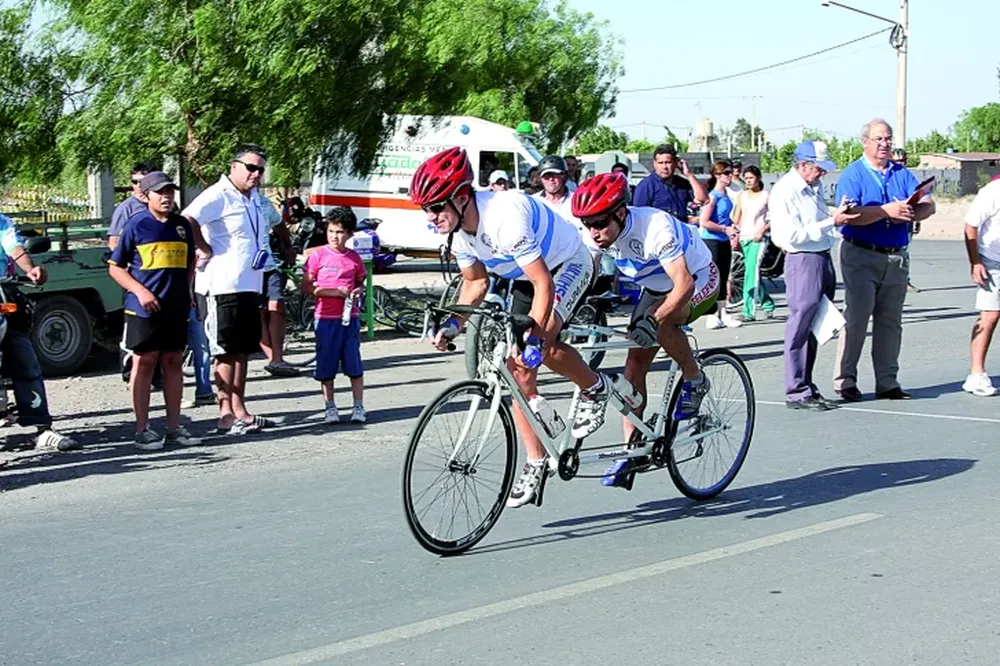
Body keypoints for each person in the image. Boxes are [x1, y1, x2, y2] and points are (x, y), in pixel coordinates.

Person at [413, 147, 619, 509]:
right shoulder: (460, 231)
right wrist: (453, 324)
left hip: (566, 265)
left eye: (435, 208)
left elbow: (544, 284)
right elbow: (475, 284)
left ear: (462, 198)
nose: (430, 218)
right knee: (516, 373)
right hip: (526, 278)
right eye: (425, 209)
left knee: (540, 346)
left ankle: (595, 387)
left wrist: (537, 338)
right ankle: (537, 462)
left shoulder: (504, 216)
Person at [572, 173, 719, 486]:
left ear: (621, 213)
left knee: (661, 323)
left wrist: (653, 318)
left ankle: (695, 377)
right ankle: (632, 451)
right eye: (588, 225)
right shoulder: (593, 235)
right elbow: (587, 275)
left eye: (599, 224)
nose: (594, 233)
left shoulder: (655, 228)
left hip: (698, 277)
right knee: (634, 364)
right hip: (654, 287)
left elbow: (683, 285)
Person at [833, 119, 935, 402]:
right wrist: (885, 211)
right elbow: (850, 215)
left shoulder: (901, 173)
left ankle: (887, 381)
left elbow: (928, 204)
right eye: (879, 139)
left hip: (895, 257)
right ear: (865, 141)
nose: (885, 144)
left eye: (888, 139)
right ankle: (845, 380)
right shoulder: (853, 174)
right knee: (856, 317)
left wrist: (914, 212)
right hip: (861, 254)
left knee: (890, 322)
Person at [182, 143, 276, 435]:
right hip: (221, 285)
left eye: (260, 169)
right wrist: (203, 246)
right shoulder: (218, 195)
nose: (256, 174)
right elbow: (187, 218)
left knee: (244, 350)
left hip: (250, 283)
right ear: (234, 166)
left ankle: (240, 408)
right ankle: (224, 413)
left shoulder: (253, 198)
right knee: (225, 351)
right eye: (251, 168)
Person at [108, 172, 202, 450]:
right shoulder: (136, 224)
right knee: (144, 361)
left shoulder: (182, 225)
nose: (167, 197)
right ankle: (142, 429)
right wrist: (140, 291)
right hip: (143, 309)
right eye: (160, 192)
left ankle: (174, 427)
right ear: (146, 195)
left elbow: (189, 265)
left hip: (176, 307)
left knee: (173, 361)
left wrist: (188, 292)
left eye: (170, 191)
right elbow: (115, 267)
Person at [770, 140, 858, 411]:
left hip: (821, 256)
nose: (823, 173)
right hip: (802, 259)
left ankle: (807, 385)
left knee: (815, 323)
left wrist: (836, 215)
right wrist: (833, 222)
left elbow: (816, 222)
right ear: (804, 164)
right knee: (800, 323)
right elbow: (788, 235)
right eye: (819, 168)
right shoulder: (785, 191)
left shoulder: (812, 188)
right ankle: (796, 390)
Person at [0, 215, 80, 458]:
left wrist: (31, 269)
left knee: (24, 355)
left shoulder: (1, 223)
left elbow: (14, 247)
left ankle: (42, 428)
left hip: (1, 293)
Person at [303, 207, 367, 423]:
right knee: (326, 364)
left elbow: (360, 281)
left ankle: (358, 406)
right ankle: (330, 407)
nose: (334, 237)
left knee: (353, 362)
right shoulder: (317, 256)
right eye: (331, 231)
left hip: (350, 317)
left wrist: (357, 290)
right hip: (325, 318)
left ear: (349, 234)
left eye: (340, 232)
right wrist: (333, 292)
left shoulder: (354, 258)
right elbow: (307, 287)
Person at [962, 177, 1000, 396]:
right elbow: (971, 226)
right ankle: (976, 375)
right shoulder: (993, 190)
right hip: (991, 259)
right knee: (990, 315)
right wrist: (975, 262)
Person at [698, 160, 741, 329]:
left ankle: (723, 312)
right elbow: (704, 221)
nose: (730, 176)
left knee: (723, 276)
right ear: (717, 175)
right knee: (713, 277)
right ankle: (712, 313)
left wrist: (732, 226)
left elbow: (725, 218)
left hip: (723, 241)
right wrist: (725, 229)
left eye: (731, 172)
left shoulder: (726, 196)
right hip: (712, 241)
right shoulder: (713, 197)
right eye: (726, 173)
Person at [259, 196, 300, 377]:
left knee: (276, 307)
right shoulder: (225, 200)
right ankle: (272, 359)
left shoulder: (264, 203)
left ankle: (277, 358)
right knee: (259, 313)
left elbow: (279, 225)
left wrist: (288, 246)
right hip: (246, 270)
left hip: (269, 264)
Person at [732, 165, 775, 321]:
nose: (749, 181)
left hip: (758, 238)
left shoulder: (766, 195)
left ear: (758, 178)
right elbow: (736, 218)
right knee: (753, 273)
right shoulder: (742, 195)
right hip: (744, 237)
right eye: (747, 178)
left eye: (751, 178)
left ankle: (748, 311)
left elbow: (774, 217)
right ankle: (767, 303)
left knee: (751, 272)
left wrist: (762, 230)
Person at [632, 144, 710, 220]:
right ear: (654, 163)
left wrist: (689, 175)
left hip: (680, 230)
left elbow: (704, 199)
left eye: (668, 162)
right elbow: (639, 217)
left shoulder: (682, 183)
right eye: (660, 163)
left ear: (676, 163)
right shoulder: (646, 186)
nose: (664, 167)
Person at [107, 163, 155, 251]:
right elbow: (113, 243)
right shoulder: (126, 208)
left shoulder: (165, 205)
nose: (139, 186)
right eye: (135, 182)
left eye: (143, 181)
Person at [532, 155, 574, 220]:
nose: (551, 179)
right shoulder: (533, 201)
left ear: (564, 176)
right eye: (546, 176)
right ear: (540, 178)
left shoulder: (576, 200)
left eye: (555, 175)